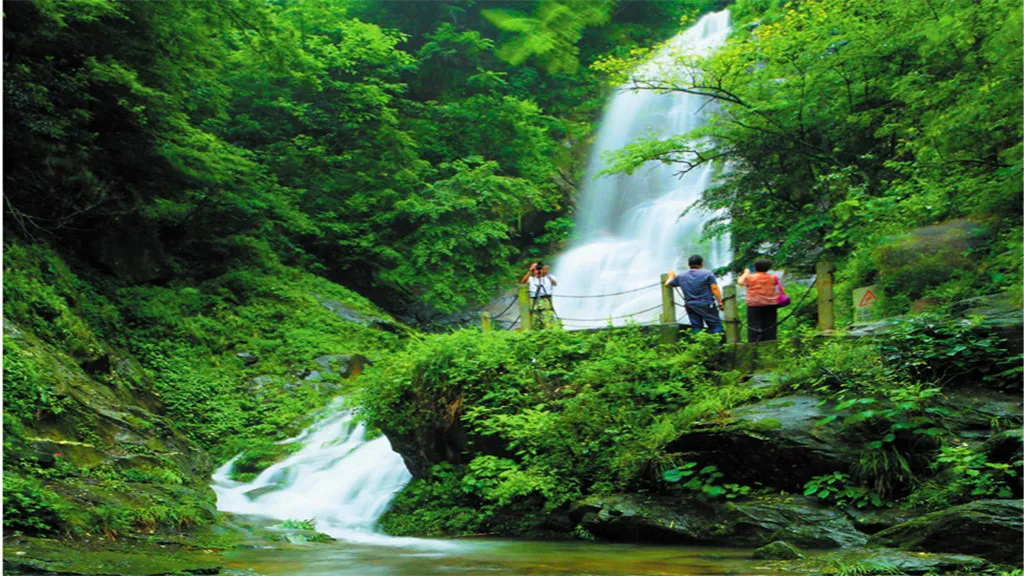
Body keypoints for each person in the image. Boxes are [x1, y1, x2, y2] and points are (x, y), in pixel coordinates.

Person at [665, 255, 724, 334]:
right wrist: (720, 302)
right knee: (715, 325)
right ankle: (718, 344)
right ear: (701, 264)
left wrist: (671, 275)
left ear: (689, 264)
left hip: (691, 305)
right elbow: (714, 288)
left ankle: (698, 344)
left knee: (696, 327)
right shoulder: (708, 273)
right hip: (706, 304)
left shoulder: (681, 276)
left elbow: (667, 284)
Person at [737, 259, 781, 342]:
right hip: (771, 304)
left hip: (755, 305)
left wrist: (746, 272)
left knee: (754, 327)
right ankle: (770, 345)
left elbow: (740, 282)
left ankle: (754, 346)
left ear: (755, 267)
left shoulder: (750, 277)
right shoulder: (773, 277)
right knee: (770, 326)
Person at [520, 261, 558, 329]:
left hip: (546, 302)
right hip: (534, 302)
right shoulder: (531, 279)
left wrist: (547, 273)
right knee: (535, 322)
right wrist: (529, 271)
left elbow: (555, 283)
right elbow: (522, 282)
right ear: (533, 271)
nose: (538, 271)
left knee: (548, 320)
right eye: (536, 269)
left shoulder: (549, 277)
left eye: (540, 269)